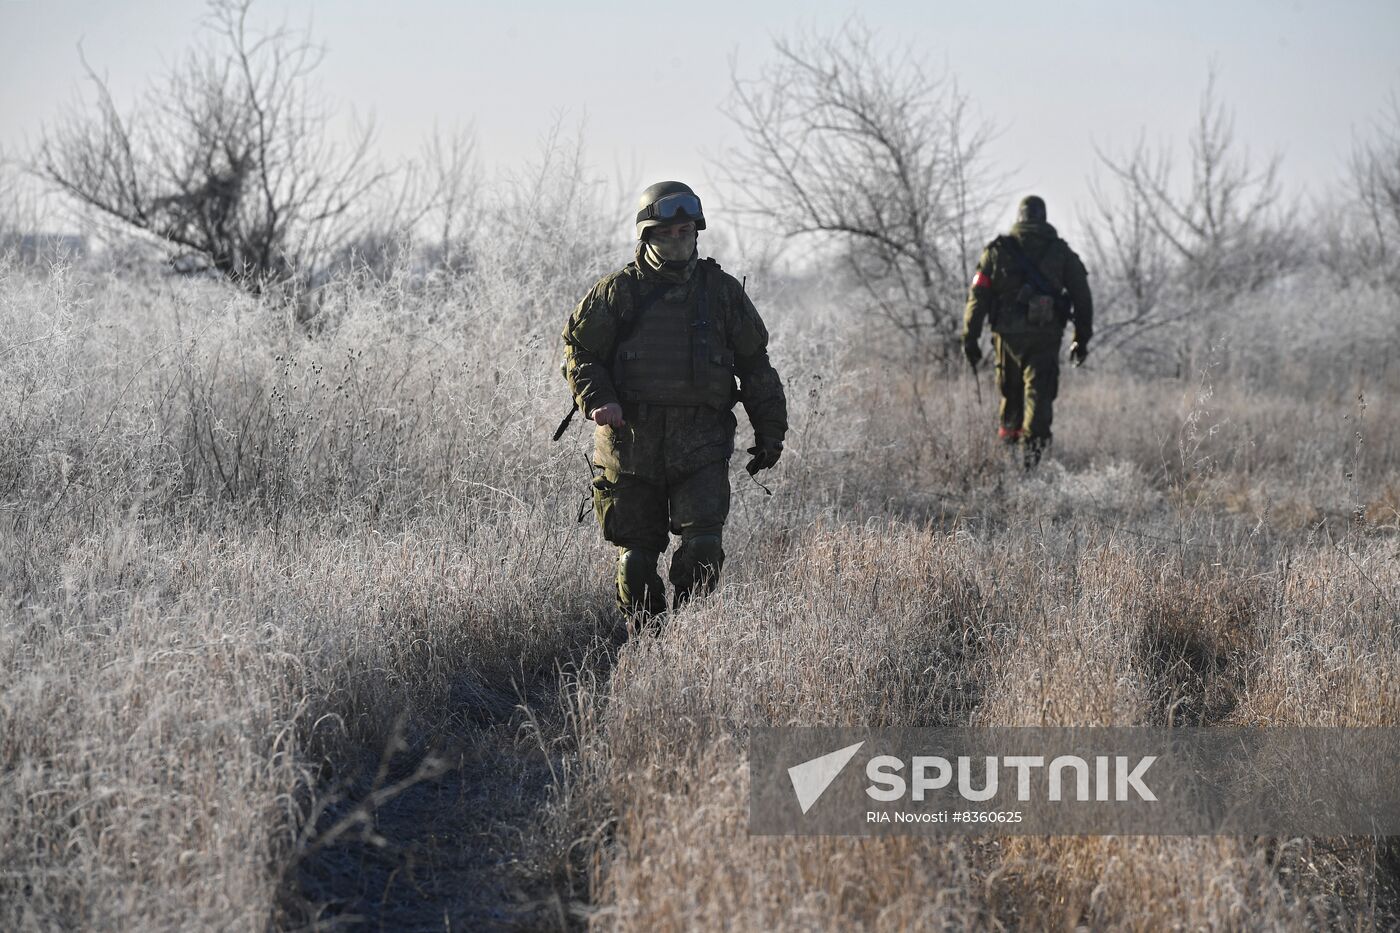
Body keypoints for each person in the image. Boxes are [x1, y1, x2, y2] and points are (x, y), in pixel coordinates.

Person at [560, 181, 788, 620]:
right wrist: (598, 399)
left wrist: (770, 431)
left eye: (686, 232)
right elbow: (579, 351)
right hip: (630, 446)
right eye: (668, 234)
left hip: (701, 445)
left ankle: (688, 637)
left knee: (704, 549)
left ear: (697, 233)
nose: (679, 242)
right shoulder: (618, 292)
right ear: (647, 236)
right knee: (636, 561)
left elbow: (756, 365)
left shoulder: (721, 293)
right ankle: (646, 643)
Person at [962, 195, 1093, 466]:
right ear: (1043, 218)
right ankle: (1032, 459)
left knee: (1010, 392)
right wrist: (1081, 339)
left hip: (1007, 337)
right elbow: (1082, 297)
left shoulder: (996, 250)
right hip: (1045, 335)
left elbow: (978, 297)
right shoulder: (1061, 252)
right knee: (1039, 394)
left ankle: (1009, 452)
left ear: (1020, 218)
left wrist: (970, 337)